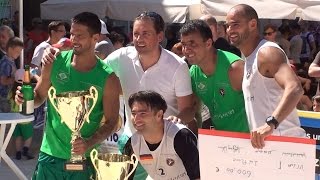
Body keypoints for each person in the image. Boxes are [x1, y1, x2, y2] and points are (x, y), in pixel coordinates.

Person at [15, 12, 121, 179]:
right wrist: (25, 98)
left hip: (85, 159)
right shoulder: (54, 61)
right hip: (49, 154)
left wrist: (88, 143)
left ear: (95, 38)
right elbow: (39, 97)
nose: (74, 39)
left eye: (80, 35)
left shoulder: (108, 78)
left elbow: (112, 122)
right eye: (71, 34)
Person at [104, 11, 196, 179]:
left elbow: (188, 110)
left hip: (167, 146)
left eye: (145, 33)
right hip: (131, 140)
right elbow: (97, 71)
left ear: (160, 36)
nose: (139, 39)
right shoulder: (121, 56)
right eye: (136, 33)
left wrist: (179, 119)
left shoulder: (177, 66)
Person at [226, 4, 306, 149]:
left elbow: (295, 88)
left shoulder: (266, 52)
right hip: (269, 148)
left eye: (235, 25)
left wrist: (271, 123)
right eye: (228, 26)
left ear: (253, 24)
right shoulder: (249, 57)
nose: (230, 30)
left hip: (286, 147)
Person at [180, 19, 249, 132]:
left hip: (250, 139)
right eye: (183, 44)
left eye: (192, 44)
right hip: (220, 140)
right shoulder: (194, 72)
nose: (186, 50)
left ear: (208, 43)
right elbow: (192, 109)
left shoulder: (235, 68)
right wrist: (176, 119)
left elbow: (260, 103)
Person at [123, 91, 200, 180]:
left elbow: (198, 177)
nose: (136, 119)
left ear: (159, 115)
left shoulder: (181, 136)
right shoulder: (133, 143)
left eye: (142, 113)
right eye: (133, 114)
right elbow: (125, 177)